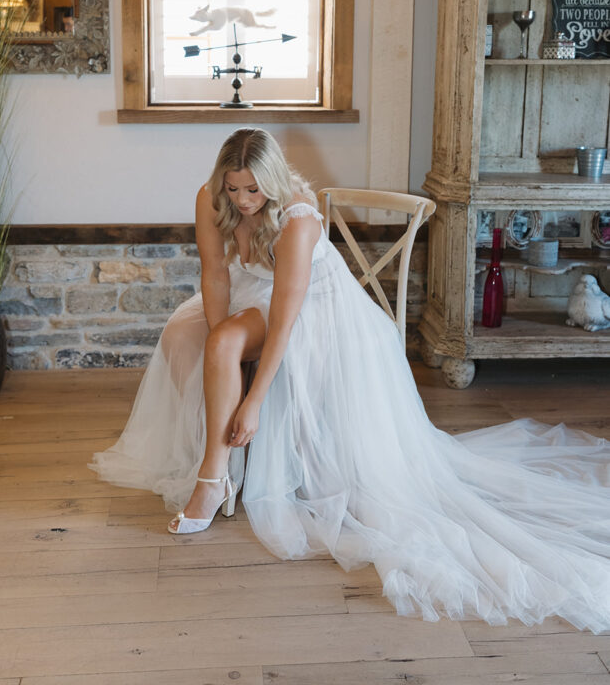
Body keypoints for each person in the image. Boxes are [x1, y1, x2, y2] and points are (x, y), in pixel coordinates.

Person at [90, 128, 610, 633]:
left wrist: (254, 399)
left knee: (227, 346)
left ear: (273, 181)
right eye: (233, 188)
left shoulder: (296, 218)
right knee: (196, 338)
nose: (243, 200)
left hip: (312, 307)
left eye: (253, 189)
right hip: (252, 292)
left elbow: (288, 316)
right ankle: (218, 456)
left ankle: (214, 476)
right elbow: (216, 275)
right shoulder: (211, 198)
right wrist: (216, 329)